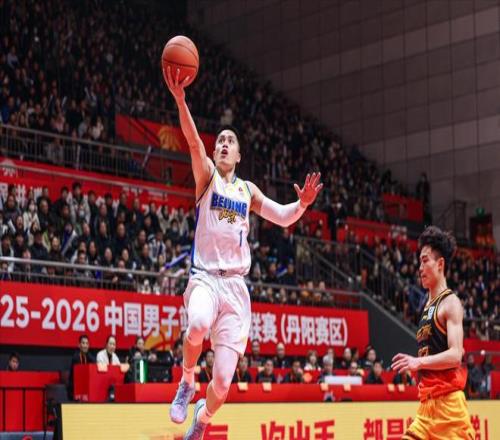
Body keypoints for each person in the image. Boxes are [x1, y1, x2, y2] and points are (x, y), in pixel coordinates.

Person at [165, 66, 323, 440]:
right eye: (219, 140)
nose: (223, 144)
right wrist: (181, 101)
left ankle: (202, 419)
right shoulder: (206, 177)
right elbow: (192, 141)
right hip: (205, 278)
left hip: (236, 288)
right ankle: (186, 381)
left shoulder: (248, 190)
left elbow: (282, 216)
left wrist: (302, 204)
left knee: (222, 383)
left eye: (229, 141)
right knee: (197, 325)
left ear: (238, 154)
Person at [391, 226, 474, 439]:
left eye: (425, 260)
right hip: (426, 409)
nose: (420, 267)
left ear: (440, 264)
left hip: (449, 410)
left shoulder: (451, 303)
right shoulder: (427, 306)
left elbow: (455, 355)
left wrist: (418, 362)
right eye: (419, 262)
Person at [68, 335, 95, 399]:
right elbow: (78, 377)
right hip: (74, 389)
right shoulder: (76, 357)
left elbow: (95, 363)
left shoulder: (89, 357)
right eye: (83, 343)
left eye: (87, 343)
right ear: (79, 345)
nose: (85, 345)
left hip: (85, 388)